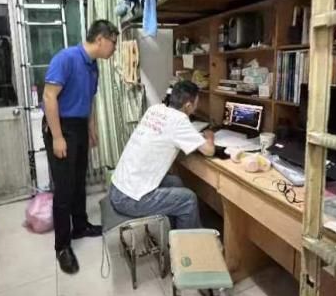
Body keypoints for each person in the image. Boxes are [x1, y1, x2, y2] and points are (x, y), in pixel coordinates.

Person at [42, 19, 118, 274]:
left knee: (78, 181)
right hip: (60, 125)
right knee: (64, 188)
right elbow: (49, 96)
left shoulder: (93, 66)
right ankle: (62, 247)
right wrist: (57, 137)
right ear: (100, 39)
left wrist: (91, 128)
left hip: (79, 126)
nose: (114, 48)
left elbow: (90, 99)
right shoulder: (66, 58)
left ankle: (80, 225)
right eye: (113, 43)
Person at [110, 80, 215, 229]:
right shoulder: (179, 121)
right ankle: (188, 241)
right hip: (129, 199)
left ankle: (174, 231)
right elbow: (209, 151)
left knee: (175, 182)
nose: (196, 108)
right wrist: (210, 136)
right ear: (188, 105)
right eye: (196, 104)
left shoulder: (155, 109)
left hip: (118, 188)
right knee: (188, 199)